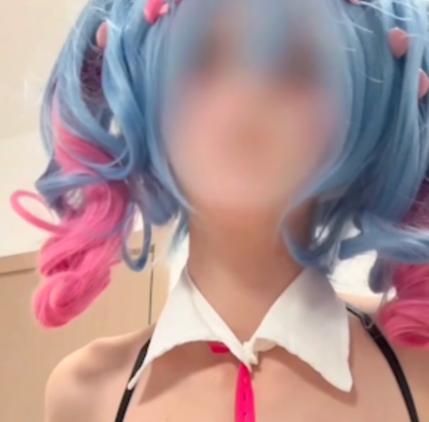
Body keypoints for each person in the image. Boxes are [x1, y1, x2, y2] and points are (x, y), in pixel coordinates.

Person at [11, 0, 429, 420]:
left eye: (298, 63)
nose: (247, 92)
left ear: (364, 109)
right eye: (200, 55)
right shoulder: (86, 393)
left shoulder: (418, 369)